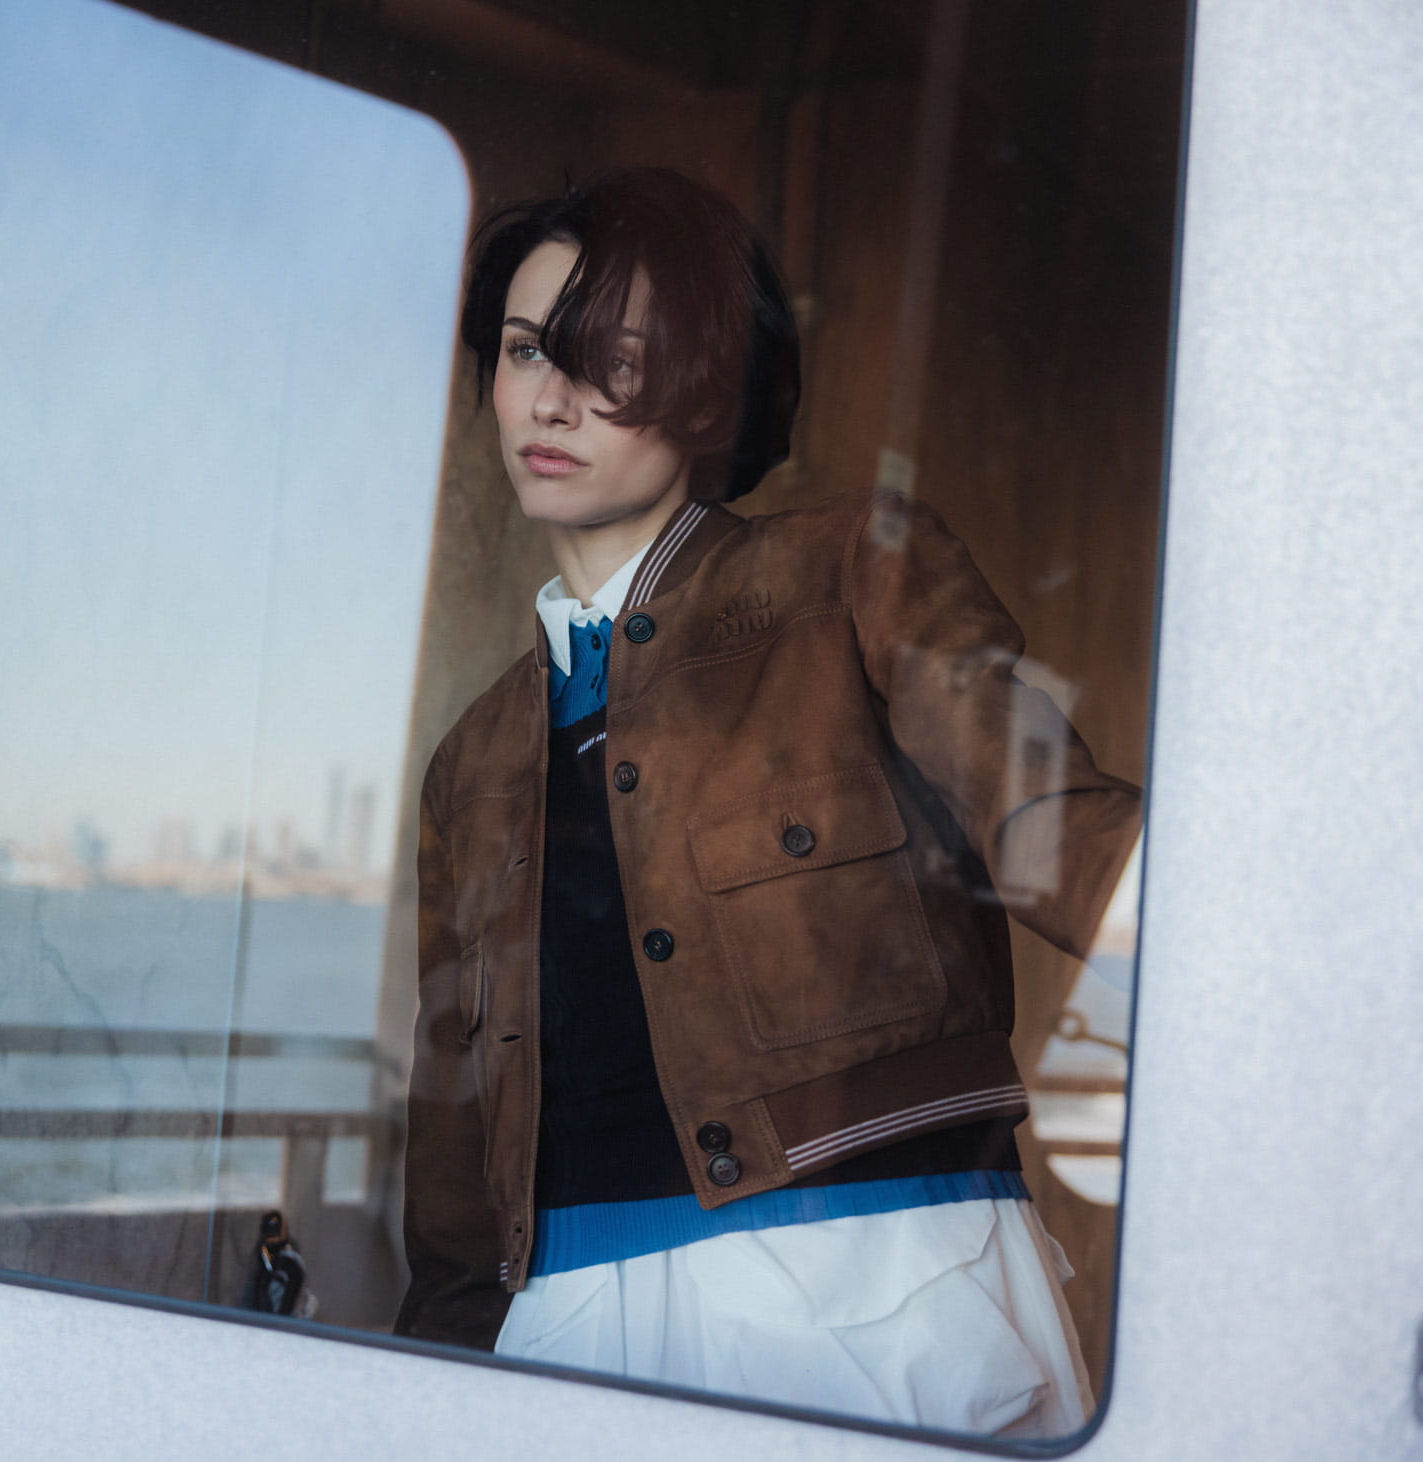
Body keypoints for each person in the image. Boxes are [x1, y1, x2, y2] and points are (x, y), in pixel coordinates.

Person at [393, 168, 1141, 1438]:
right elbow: (455, 1133)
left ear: (698, 382)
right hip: (565, 1331)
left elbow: (1060, 829)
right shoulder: (471, 760)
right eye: (523, 351)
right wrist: (426, 1384)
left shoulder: (847, 574)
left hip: (874, 1292)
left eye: (607, 357)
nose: (550, 397)